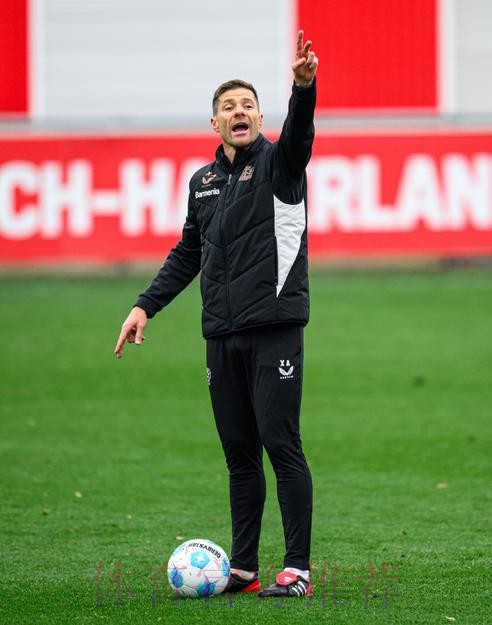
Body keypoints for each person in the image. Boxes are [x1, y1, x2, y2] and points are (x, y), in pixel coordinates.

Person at [115, 30, 318, 598]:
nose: (239, 112)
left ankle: (297, 570)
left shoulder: (280, 164)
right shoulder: (202, 183)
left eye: (248, 105)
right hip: (222, 336)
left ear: (260, 117)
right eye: (229, 106)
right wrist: (145, 305)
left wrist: (304, 89)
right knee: (239, 455)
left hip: (274, 328)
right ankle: (245, 569)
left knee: (281, 445)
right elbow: (189, 252)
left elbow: (300, 135)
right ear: (214, 123)